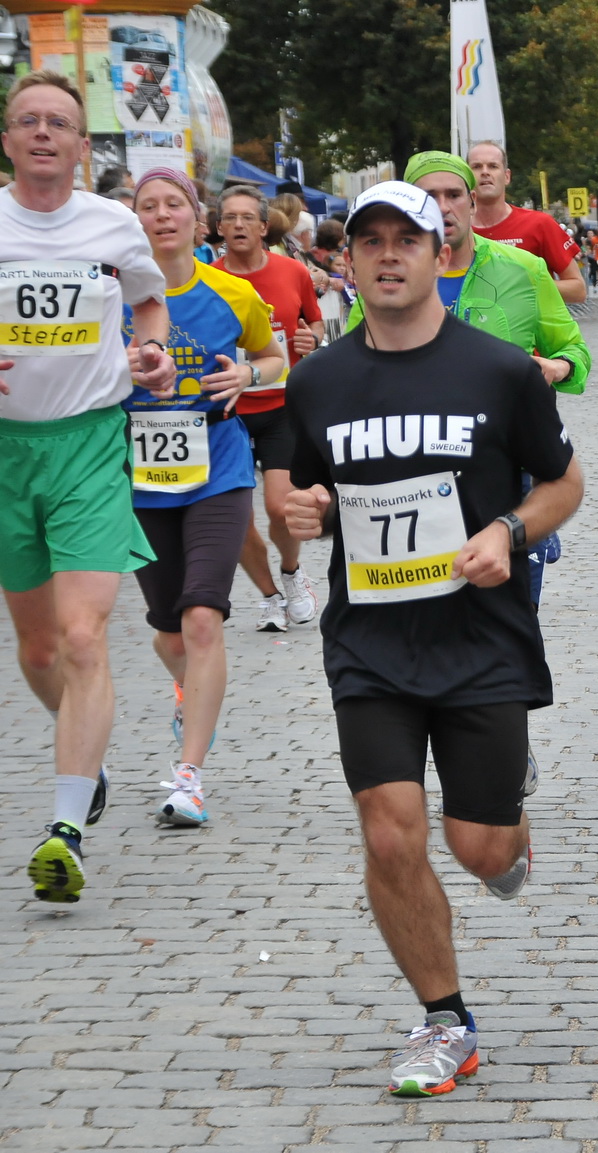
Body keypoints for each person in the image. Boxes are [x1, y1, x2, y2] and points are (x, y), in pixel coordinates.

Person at [284, 180, 584, 1093]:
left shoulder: (497, 369)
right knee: (388, 831)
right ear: (350, 259)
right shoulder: (319, 380)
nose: (386, 254)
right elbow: (305, 495)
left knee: (478, 847)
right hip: (369, 643)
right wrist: (307, 513)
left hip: (481, 637)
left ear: (435, 251)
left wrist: (509, 531)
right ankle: (442, 1019)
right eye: (368, 240)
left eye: (404, 239)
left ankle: (510, 829)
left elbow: (562, 484)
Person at [0, 70, 176, 902]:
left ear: (80, 145)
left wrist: (152, 353)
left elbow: (149, 304)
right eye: (26, 120)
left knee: (81, 636)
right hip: (5, 455)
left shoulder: (111, 224)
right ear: (7, 139)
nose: (42, 133)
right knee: (38, 650)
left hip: (90, 447)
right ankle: (88, 757)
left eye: (58, 123)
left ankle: (65, 828)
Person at [343, 151, 589, 612]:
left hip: (506, 471)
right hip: (414, 471)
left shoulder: (523, 269)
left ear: (472, 202)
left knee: (512, 619)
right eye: (428, 196)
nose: (443, 206)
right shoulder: (386, 279)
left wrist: (555, 368)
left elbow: (575, 354)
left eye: (453, 194)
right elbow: (352, 364)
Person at [123, 168, 289, 827]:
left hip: (218, 465)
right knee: (169, 633)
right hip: (138, 474)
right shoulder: (110, 296)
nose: (161, 215)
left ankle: (188, 777)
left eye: (175, 205)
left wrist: (249, 372)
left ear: (199, 221)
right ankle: (187, 693)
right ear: (131, 221)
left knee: (201, 619)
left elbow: (273, 358)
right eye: (147, 206)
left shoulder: (229, 292)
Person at [213, 184, 324, 632]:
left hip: (282, 405)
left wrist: (311, 339)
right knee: (236, 518)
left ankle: (293, 575)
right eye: (229, 218)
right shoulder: (209, 279)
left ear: (264, 227)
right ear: (218, 229)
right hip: (229, 409)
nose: (238, 225)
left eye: (247, 218)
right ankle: (269, 596)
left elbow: (313, 322)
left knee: (282, 509)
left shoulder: (292, 272)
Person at [466, 141, 588, 305]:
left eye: (493, 166)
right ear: (466, 176)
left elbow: (578, 290)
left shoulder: (539, 224)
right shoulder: (454, 231)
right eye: (477, 167)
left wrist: (522, 286)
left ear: (507, 176)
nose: (485, 172)